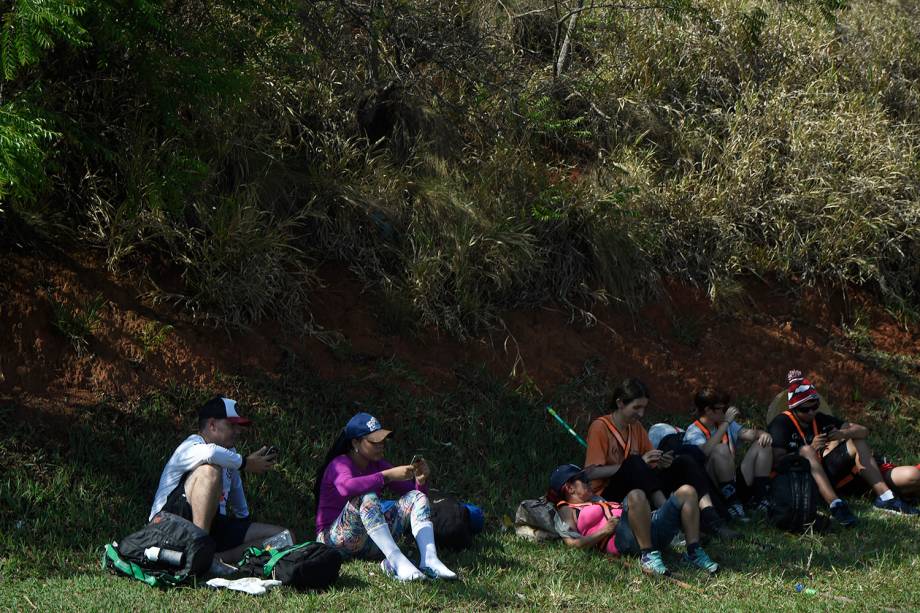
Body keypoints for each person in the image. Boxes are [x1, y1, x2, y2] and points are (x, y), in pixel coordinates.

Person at [584, 377, 739, 539]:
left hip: (641, 488)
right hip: (610, 494)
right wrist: (639, 463)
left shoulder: (635, 427)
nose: (641, 413)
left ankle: (711, 518)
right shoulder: (600, 427)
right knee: (635, 462)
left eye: (644, 408)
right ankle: (671, 523)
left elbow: (649, 467)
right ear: (620, 403)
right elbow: (591, 473)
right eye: (636, 407)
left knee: (684, 461)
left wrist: (661, 462)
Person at [149, 396, 291, 570]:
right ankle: (198, 554)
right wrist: (245, 463)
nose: (238, 430)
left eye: (239, 426)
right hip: (168, 524)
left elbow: (239, 500)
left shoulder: (230, 456)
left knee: (284, 536)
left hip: (214, 526)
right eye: (232, 425)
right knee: (210, 470)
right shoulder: (191, 445)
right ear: (212, 425)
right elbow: (211, 453)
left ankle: (214, 559)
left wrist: (244, 525)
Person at [313, 412, 456, 581]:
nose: (381, 445)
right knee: (366, 497)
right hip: (335, 541)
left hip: (371, 542)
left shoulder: (377, 465)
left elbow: (416, 500)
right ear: (355, 443)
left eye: (382, 439)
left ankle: (430, 560)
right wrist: (386, 476)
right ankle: (396, 560)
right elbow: (347, 488)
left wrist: (420, 481)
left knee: (416, 496)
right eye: (374, 441)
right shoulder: (340, 464)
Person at [768, 373, 919, 526]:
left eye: (814, 407)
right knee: (807, 451)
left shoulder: (819, 418)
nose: (811, 412)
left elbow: (863, 431)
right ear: (794, 408)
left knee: (856, 439)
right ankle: (836, 505)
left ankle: (886, 497)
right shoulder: (781, 423)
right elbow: (778, 461)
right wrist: (810, 449)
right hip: (800, 479)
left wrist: (842, 433)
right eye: (805, 410)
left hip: (828, 474)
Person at [549, 464, 719, 575]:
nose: (590, 482)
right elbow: (572, 544)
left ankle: (694, 551)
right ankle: (648, 557)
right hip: (623, 541)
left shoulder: (597, 499)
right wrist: (604, 531)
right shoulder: (567, 509)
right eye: (584, 480)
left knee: (687, 491)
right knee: (636, 494)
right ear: (569, 488)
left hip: (649, 530)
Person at [684, 388, 773, 520]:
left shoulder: (724, 423)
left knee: (763, 445)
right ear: (708, 410)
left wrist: (763, 434)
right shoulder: (693, 431)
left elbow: (749, 434)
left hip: (733, 481)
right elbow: (704, 452)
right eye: (722, 409)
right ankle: (732, 505)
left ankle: (760, 500)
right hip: (712, 488)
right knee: (721, 449)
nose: (725, 412)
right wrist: (725, 425)